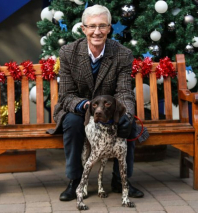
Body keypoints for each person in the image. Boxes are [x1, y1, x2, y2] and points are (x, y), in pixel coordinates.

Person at [47, 4, 148, 201]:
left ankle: (121, 180)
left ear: (109, 28)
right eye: (92, 26)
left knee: (128, 124)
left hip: (111, 111)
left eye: (102, 26)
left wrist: (125, 114)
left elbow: (124, 91)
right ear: (83, 28)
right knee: (73, 123)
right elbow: (66, 96)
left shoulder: (122, 53)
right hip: (79, 109)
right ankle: (75, 181)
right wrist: (87, 107)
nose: (97, 31)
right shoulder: (68, 52)